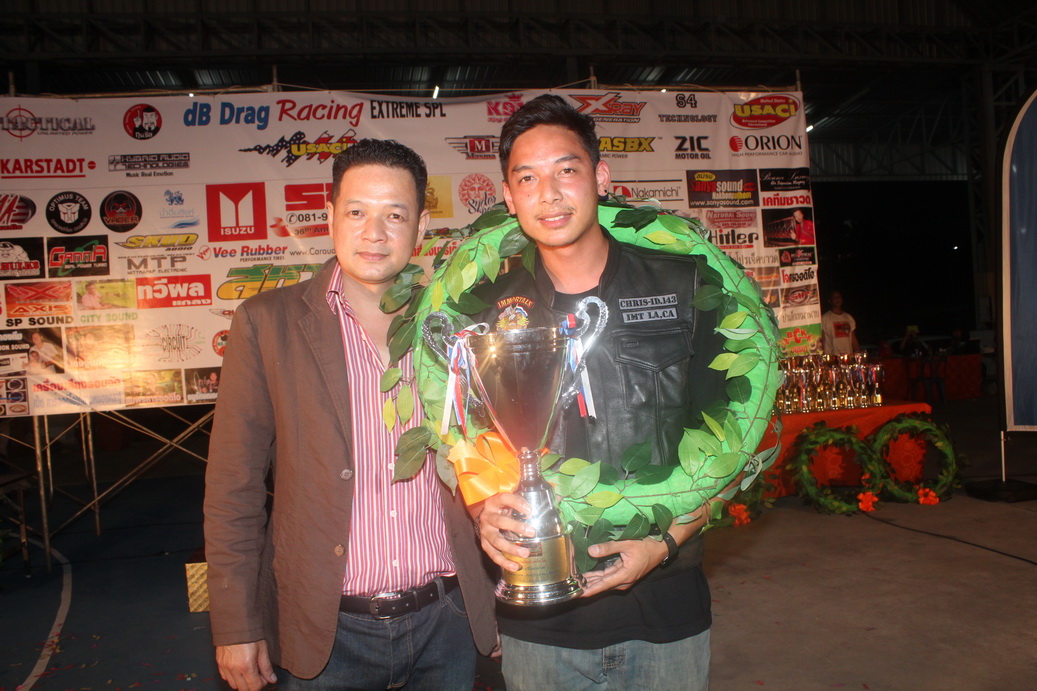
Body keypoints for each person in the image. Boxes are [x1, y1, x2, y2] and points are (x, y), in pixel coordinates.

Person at [203, 139, 496, 690]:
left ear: (421, 225)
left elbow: (494, 460)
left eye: (395, 215)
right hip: (325, 631)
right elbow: (232, 488)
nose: (374, 233)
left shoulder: (456, 324)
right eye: (357, 211)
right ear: (331, 213)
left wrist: (496, 594)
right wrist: (236, 624)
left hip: (449, 620)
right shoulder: (267, 324)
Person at [470, 94, 729, 690]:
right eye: (527, 178)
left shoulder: (685, 286)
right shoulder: (484, 313)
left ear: (601, 177)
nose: (549, 194)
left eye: (566, 170)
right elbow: (466, 440)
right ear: (508, 197)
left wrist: (664, 543)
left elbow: (731, 440)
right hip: (539, 620)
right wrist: (483, 509)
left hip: (666, 610)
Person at [821, 290, 860, 355]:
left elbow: (853, 338)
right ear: (830, 301)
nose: (837, 299)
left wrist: (857, 352)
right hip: (832, 356)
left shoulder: (848, 317)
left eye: (839, 297)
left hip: (848, 356)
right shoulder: (824, 318)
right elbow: (822, 339)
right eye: (834, 297)